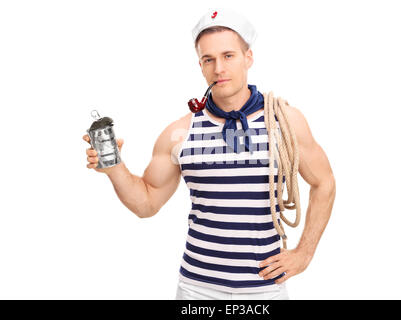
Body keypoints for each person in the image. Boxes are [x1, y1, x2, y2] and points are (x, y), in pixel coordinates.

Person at [82, 8, 336, 300]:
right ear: (200, 65)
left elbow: (324, 182)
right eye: (208, 59)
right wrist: (114, 167)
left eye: (229, 56)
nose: (219, 69)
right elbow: (147, 204)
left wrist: (304, 253)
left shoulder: (285, 121)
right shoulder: (179, 133)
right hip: (196, 290)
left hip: (264, 290)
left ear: (248, 58)